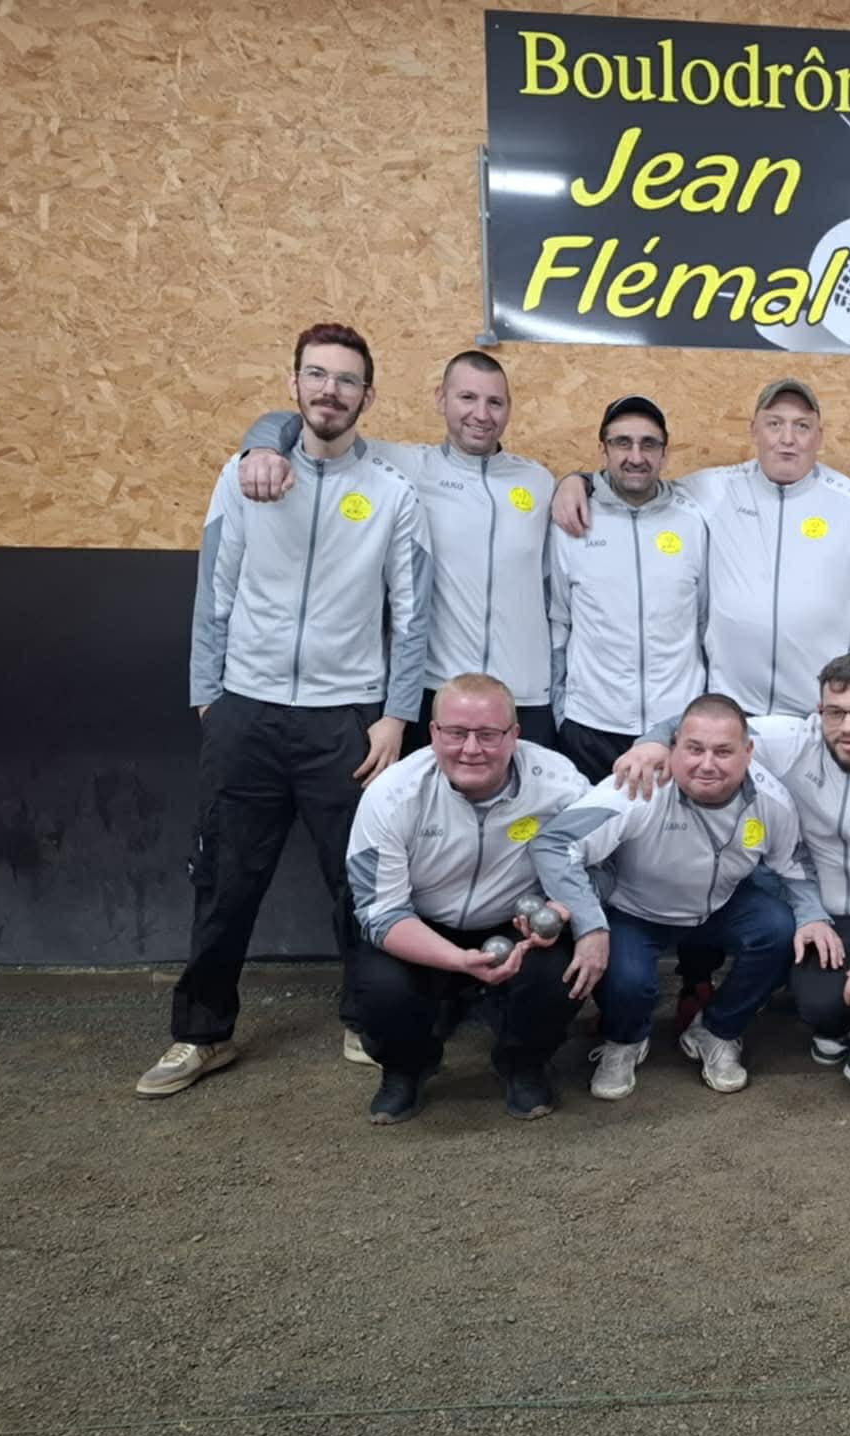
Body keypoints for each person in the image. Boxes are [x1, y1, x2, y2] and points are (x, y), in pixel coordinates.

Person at [138, 322, 429, 1098]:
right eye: (317, 375)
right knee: (225, 881)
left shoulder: (393, 493)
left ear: (368, 396)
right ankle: (201, 1035)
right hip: (247, 714)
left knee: (359, 882)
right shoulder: (244, 476)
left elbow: (412, 616)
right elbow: (215, 591)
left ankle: (365, 1019)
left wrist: (395, 716)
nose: (331, 391)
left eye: (346, 380)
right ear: (294, 383)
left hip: (346, 720)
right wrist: (210, 696)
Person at [615, 654, 850, 1119]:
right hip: (825, 913)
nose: (848, 727)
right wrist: (651, 743)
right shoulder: (792, 739)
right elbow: (712, 727)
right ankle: (843, 1022)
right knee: (820, 1009)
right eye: (835, 713)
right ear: (818, 711)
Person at [233, 350, 559, 748]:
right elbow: (308, 423)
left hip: (524, 697)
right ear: (440, 399)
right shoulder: (402, 466)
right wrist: (262, 447)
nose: (481, 414)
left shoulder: (539, 482)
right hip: (436, 693)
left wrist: (580, 482)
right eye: (467, 398)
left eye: (495, 402)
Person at [531, 692, 828, 1101]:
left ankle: (717, 1030)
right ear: (673, 747)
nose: (707, 764)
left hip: (720, 906)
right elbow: (554, 843)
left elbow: (794, 864)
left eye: (723, 751)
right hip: (636, 911)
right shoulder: (638, 787)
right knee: (629, 983)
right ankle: (625, 1040)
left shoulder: (772, 800)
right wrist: (590, 925)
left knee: (779, 929)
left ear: (748, 753)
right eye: (694, 749)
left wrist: (813, 916)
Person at [551, 377, 850, 715]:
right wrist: (578, 481)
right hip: (731, 710)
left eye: (802, 426)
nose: (787, 439)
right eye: (774, 424)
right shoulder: (714, 489)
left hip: (818, 712)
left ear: (819, 436)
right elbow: (639, 483)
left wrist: (843, 693)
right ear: (754, 431)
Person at [342, 673, 591, 1123]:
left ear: (514, 735)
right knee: (380, 988)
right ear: (433, 732)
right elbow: (380, 913)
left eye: (488, 734)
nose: (471, 749)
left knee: (561, 974)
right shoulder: (390, 795)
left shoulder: (561, 784)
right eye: (456, 733)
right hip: (419, 922)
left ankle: (524, 1064)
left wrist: (564, 908)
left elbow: (602, 859)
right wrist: (458, 960)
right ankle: (406, 1069)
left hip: (515, 923)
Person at [547, 394, 711, 781]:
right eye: (622, 442)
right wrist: (561, 712)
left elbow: (705, 621)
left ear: (664, 454)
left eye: (648, 444)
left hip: (675, 725)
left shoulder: (692, 521)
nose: (636, 456)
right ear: (602, 449)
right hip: (590, 726)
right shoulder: (572, 519)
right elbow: (558, 622)